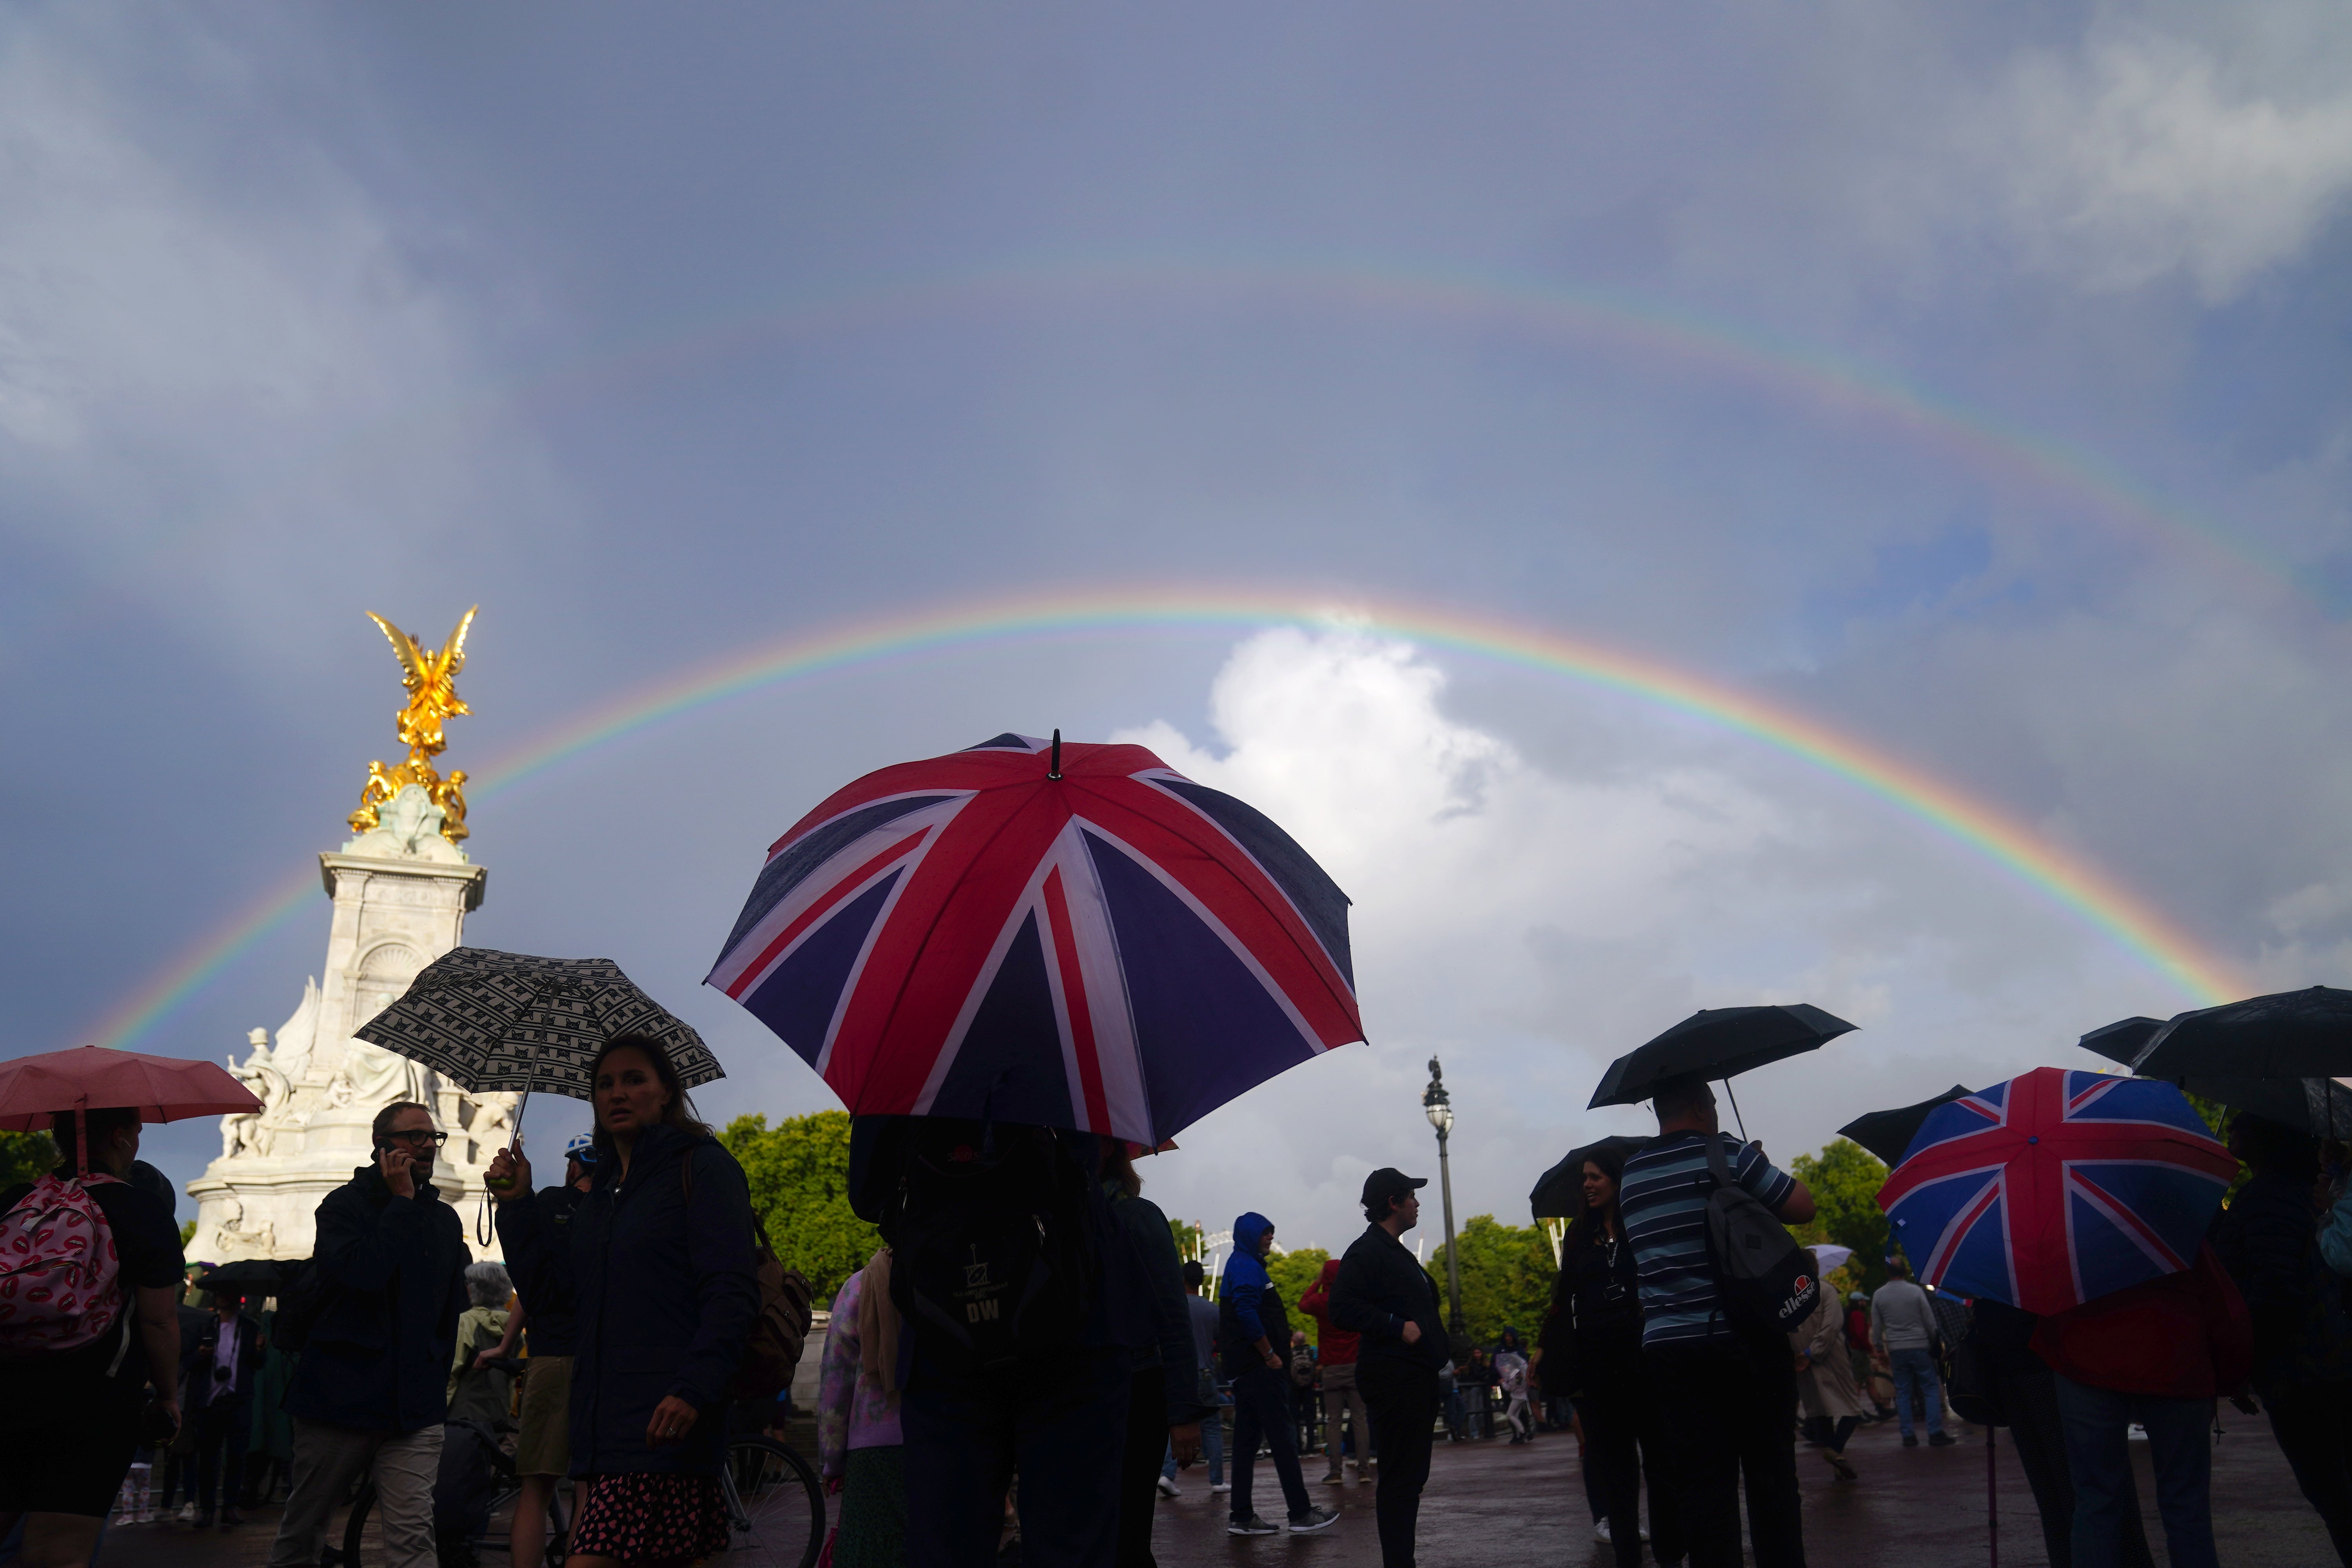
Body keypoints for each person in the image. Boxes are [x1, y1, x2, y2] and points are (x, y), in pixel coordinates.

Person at [490, 1037, 760, 1568]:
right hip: (604, 1431)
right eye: (605, 1083)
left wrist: (692, 1390)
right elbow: (553, 1298)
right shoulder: (606, 1194)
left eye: (635, 1079)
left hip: (667, 1426)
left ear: (666, 1094)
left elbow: (732, 1290)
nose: (618, 1093)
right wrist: (518, 1206)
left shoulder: (703, 1168)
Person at [847, 1114, 1152, 1564]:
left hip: (945, 1326)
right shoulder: (1069, 1052)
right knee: (1073, 1543)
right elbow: (1088, 1163)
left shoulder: (904, 1064)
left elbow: (869, 1195)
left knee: (946, 1543)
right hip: (1074, 1322)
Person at [1619, 1078, 1815, 1568]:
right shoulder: (1727, 1153)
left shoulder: (1632, 1174)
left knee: (1702, 1484)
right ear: (1700, 1106)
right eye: (1711, 1103)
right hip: (1741, 1340)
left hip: (1669, 1349)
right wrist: (1752, 1164)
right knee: (1771, 1476)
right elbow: (1802, 1207)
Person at [266, 1100, 468, 1568]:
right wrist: (400, 1202)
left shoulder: (444, 1220)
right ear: (382, 1145)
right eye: (413, 1136)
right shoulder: (342, 1207)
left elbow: (448, 1310)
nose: (426, 1145)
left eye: (432, 1137)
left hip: (414, 1407)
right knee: (305, 1528)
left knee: (414, 1534)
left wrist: (434, 1374)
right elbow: (364, 1274)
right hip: (340, 1401)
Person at [0, 1106, 185, 1568]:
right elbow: (158, 1321)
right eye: (137, 1132)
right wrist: (167, 1395)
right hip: (93, 1400)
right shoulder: (142, 1208)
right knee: (58, 1552)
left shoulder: (15, 1199)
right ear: (120, 1137)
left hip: (6, 1388)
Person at [2032, 1240, 2252, 1568]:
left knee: (2096, 1502)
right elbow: (2225, 1308)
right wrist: (2230, 1379)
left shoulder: (2068, 1235)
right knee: (2186, 1506)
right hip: (2175, 1359)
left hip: (2085, 1359)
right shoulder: (2172, 1226)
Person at [2214, 1111, 2352, 1564]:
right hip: (2327, 1359)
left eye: (2241, 1120)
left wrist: (2244, 1363)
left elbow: (2273, 1291)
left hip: (2302, 1370)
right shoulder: (2306, 1194)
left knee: (2331, 1492)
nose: (2232, 1124)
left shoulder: (2266, 1198)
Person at [1540, 1143, 1681, 1568]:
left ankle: (1671, 1553)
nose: (1586, 1185)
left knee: (1660, 1462)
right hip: (1599, 1363)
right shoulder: (1580, 1236)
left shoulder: (1642, 1225)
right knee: (1616, 1469)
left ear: (1617, 1181)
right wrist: (1545, 1344)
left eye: (1595, 1177)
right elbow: (1563, 1296)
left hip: (1646, 1357)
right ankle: (1627, 1555)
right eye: (1584, 1178)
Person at [480, 1131, 595, 1568]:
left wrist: (506, 1345)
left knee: (536, 1488)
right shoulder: (616, 1211)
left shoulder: (549, 1205)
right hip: (598, 1360)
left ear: (573, 1166)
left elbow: (531, 1287)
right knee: (589, 1484)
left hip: (549, 1357)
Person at [1971, 1299, 2152, 1568]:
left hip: (2010, 1371)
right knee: (2095, 1486)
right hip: (2055, 1364)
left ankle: (2069, 1559)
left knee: (2053, 1492)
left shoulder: (1990, 1276)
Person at [1330, 1168, 1448, 1568]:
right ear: (1394, 1203)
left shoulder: (1391, 1249)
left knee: (1409, 1478)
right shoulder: (1368, 1251)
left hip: (1411, 1377)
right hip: (1396, 1378)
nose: (1417, 1202)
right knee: (1401, 1479)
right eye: (1411, 1196)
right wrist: (1397, 1326)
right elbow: (1341, 1307)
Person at [1100, 1140, 1205, 1568]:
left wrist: (1182, 1413)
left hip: (1131, 1389)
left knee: (1124, 1533)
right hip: (1112, 1387)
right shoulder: (1079, 1216)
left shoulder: (1136, 1218)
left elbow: (1173, 1321)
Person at [1217, 1211, 1338, 1537]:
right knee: (1283, 1438)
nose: (1271, 1237)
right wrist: (1269, 1354)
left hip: (1246, 1369)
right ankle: (1300, 1512)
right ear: (1250, 1237)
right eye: (1265, 1233)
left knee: (1246, 1441)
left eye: (1271, 1232)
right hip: (1259, 1368)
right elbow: (1245, 1311)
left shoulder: (1241, 1263)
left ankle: (1241, 1515)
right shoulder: (1246, 1266)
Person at [815, 1249, 906, 1567]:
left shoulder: (859, 1287)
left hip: (873, 1456)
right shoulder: (948, 1274)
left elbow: (835, 1378)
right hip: (947, 1440)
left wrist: (832, 1460)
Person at [182, 1290, 266, 1528]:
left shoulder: (250, 1328)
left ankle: (230, 1507)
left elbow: (258, 1364)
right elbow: (187, 1361)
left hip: (238, 1400)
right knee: (209, 1457)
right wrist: (200, 1355)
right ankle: (207, 1509)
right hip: (210, 1402)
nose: (224, 1297)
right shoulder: (205, 1327)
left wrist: (260, 1350)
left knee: (237, 1456)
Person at [1788, 1252, 1866, 1481]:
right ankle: (1835, 1452)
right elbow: (1832, 1325)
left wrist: (1799, 1354)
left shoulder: (1786, 1295)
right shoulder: (1826, 1290)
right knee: (1852, 1410)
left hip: (1800, 1359)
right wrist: (1814, 1352)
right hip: (1829, 1357)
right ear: (1816, 1267)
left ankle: (1837, 1462)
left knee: (1818, 1409)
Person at [1298, 1259, 1371, 1483]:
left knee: (1333, 1422)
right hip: (1355, 1365)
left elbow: (1303, 1304)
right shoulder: (1352, 1300)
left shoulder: (1321, 1302)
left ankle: (1336, 1471)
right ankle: (1364, 1470)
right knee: (1360, 1419)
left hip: (1331, 1368)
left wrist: (1317, 1282)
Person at [1869, 1255, 1951, 1447]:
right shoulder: (1915, 1292)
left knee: (1903, 1392)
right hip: (1919, 1345)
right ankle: (1935, 1431)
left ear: (1887, 1272)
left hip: (1897, 1348)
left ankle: (1908, 1434)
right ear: (1905, 1271)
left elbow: (1877, 1324)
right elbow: (1930, 1322)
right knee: (1930, 1388)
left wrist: (1880, 1349)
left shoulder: (1880, 1295)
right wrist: (1934, 1343)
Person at [1163, 1261, 1228, 1495]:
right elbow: (1221, 1342)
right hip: (1207, 1372)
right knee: (1212, 1427)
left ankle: (1167, 1473)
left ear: (1182, 1280)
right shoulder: (1213, 1310)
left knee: (1175, 1421)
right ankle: (1217, 1480)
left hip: (1179, 1374)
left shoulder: (1174, 1307)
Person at [445, 1263, 515, 1430]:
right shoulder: (514, 1326)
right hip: (500, 1414)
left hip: (464, 1417)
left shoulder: (466, 1322)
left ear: (473, 1289)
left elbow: (453, 1371)